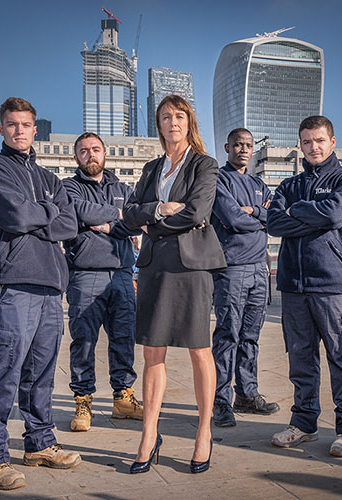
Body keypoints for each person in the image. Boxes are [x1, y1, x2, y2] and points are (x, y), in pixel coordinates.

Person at [0, 97, 81, 490]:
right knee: (4, 369)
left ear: (36, 129)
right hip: (15, 283)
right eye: (12, 124)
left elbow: (69, 224)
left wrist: (44, 212)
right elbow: (15, 217)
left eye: (26, 124)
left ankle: (39, 443)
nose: (19, 130)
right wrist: (48, 212)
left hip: (52, 287)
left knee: (41, 373)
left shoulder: (51, 179)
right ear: (1, 129)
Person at [123, 95, 226, 474]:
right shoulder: (151, 169)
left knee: (200, 349)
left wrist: (155, 224)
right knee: (153, 353)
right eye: (165, 117)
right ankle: (149, 433)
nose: (172, 122)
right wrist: (158, 210)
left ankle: (203, 432)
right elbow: (131, 213)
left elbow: (198, 211)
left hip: (190, 266)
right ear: (159, 124)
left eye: (179, 116)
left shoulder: (204, 164)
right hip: (153, 266)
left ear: (189, 122)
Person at [267, 115, 342, 457]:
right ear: (300, 145)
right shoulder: (288, 186)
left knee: (341, 357)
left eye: (320, 140)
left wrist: (298, 213)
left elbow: (335, 215)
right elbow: (274, 222)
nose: (314, 147)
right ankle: (305, 424)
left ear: (333, 142)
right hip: (293, 286)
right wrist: (308, 214)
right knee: (300, 359)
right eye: (307, 141)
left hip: (333, 285)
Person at [63, 132, 143, 431]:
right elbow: (79, 211)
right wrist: (117, 217)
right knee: (84, 340)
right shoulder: (68, 187)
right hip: (85, 274)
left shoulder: (122, 187)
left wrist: (107, 225)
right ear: (76, 158)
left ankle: (123, 397)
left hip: (122, 273)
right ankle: (83, 401)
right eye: (84, 151)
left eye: (95, 150)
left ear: (105, 154)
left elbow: (133, 222)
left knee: (124, 338)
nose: (90, 155)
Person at [211, 128, 279, 428]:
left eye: (248, 145)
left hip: (259, 270)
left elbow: (277, 217)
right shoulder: (219, 180)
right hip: (232, 268)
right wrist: (256, 218)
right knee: (228, 335)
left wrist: (256, 213)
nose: (243, 149)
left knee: (251, 337)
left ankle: (247, 395)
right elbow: (232, 219)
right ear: (227, 147)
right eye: (238, 144)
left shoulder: (258, 183)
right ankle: (221, 402)